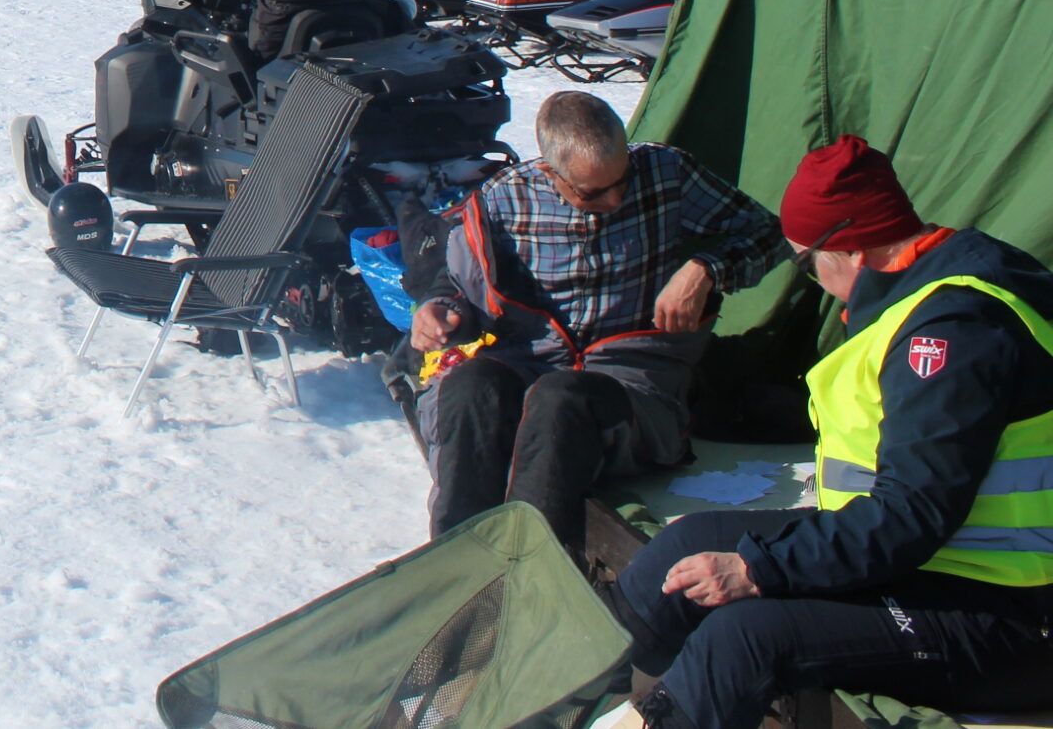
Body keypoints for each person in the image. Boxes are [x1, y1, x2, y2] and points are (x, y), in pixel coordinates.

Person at [610, 137, 1053, 729]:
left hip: (1006, 609)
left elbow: (911, 516)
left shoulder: (952, 333)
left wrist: (759, 570)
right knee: (686, 545)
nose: (812, 278)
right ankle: (581, 690)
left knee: (746, 635)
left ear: (847, 249)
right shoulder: (923, 286)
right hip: (932, 564)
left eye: (803, 261)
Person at [414, 92, 781, 554]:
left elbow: (769, 232)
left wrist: (705, 269)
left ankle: (536, 570)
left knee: (562, 399)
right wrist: (439, 308)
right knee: (472, 385)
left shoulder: (667, 174)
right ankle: (455, 561)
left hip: (630, 386)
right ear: (549, 172)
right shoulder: (504, 199)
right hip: (532, 365)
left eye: (622, 179)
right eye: (592, 193)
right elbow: (457, 284)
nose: (616, 199)